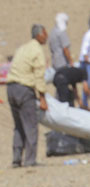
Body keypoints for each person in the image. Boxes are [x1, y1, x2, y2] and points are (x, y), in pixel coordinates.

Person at [6, 24, 48, 168]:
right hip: (24, 89)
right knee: (30, 125)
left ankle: (16, 159)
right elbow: (39, 75)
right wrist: (42, 98)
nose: (46, 37)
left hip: (11, 88)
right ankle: (30, 160)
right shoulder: (37, 50)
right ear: (39, 35)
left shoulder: (23, 48)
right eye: (44, 34)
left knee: (18, 126)